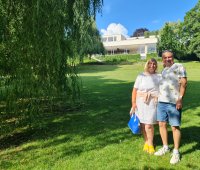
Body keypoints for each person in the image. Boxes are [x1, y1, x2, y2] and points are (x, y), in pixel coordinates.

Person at [154, 50, 187, 164]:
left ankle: (176, 152)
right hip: (161, 102)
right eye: (165, 57)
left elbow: (184, 83)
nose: (168, 59)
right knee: (162, 124)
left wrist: (180, 99)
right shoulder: (163, 70)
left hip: (174, 102)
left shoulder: (179, 66)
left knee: (174, 126)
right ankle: (165, 147)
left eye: (170, 57)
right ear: (163, 59)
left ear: (173, 57)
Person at [130, 58, 160, 154]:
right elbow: (134, 90)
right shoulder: (141, 76)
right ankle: (146, 141)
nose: (152, 65)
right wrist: (134, 103)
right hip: (140, 103)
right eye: (150, 63)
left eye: (154, 64)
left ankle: (151, 144)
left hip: (152, 103)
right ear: (147, 65)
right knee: (143, 124)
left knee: (149, 124)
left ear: (156, 65)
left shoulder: (159, 76)